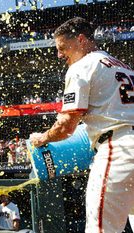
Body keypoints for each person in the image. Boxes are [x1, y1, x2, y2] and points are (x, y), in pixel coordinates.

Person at [29, 17, 134, 233]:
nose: (59, 55)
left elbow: (66, 126)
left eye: (61, 47)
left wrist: (43, 138)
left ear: (80, 39)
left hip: (119, 150)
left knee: (100, 229)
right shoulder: (123, 66)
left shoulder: (81, 66)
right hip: (125, 139)